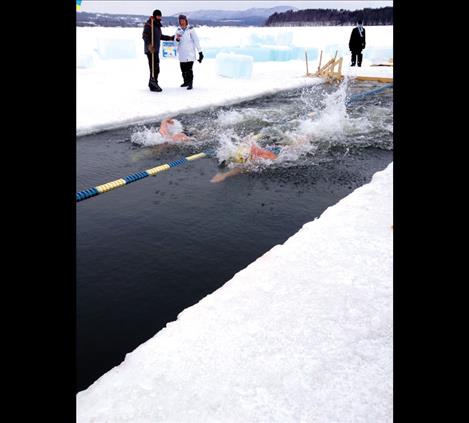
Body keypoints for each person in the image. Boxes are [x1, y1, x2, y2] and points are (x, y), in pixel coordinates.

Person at [210, 136, 280, 183]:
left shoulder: (264, 158)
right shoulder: (245, 149)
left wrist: (225, 175)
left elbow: (241, 168)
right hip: (262, 150)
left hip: (273, 153)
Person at [142, 9, 175, 92]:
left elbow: (160, 36)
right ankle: (153, 83)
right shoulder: (149, 24)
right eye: (158, 16)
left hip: (155, 49)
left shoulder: (157, 25)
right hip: (150, 50)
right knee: (154, 67)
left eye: (160, 16)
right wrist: (149, 45)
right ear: (154, 16)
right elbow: (145, 36)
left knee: (156, 68)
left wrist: (170, 38)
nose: (159, 17)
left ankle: (153, 82)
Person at [174, 14, 204, 90]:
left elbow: (196, 41)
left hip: (190, 54)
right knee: (183, 69)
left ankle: (190, 83)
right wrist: (177, 40)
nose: (182, 22)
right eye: (180, 21)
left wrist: (200, 52)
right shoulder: (178, 30)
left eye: (183, 20)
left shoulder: (191, 29)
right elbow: (175, 43)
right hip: (182, 54)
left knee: (189, 69)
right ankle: (186, 82)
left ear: (186, 21)